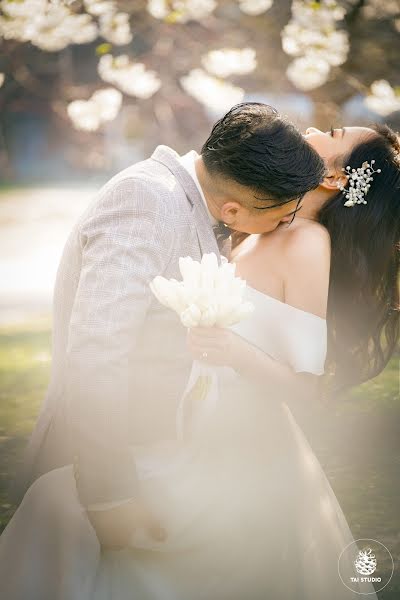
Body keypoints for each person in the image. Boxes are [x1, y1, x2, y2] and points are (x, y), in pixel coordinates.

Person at [0, 103, 326, 600]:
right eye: (286, 212)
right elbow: (97, 351)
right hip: (112, 473)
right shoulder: (147, 200)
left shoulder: (186, 201)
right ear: (235, 209)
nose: (291, 222)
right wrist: (109, 495)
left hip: (166, 459)